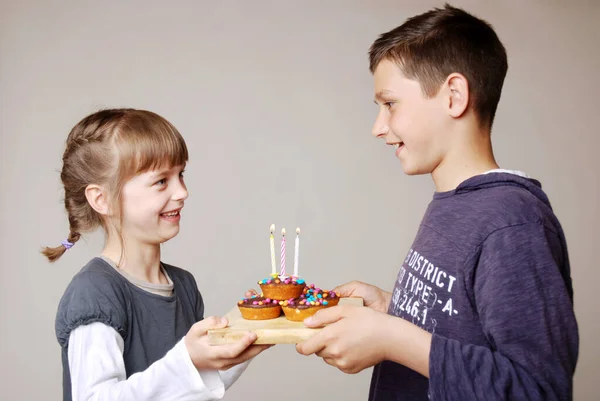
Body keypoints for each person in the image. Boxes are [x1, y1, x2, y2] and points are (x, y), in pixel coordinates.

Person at [295, 4, 579, 401]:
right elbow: (462, 328)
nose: (378, 127)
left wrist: (394, 339)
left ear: (454, 96)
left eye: (389, 104)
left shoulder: (513, 224)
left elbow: (539, 389)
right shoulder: (455, 204)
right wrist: (393, 311)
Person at [43, 108, 269, 401]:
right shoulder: (95, 293)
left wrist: (248, 332)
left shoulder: (184, 285)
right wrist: (188, 359)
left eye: (181, 174)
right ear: (102, 199)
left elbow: (191, 387)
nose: (182, 191)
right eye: (161, 180)